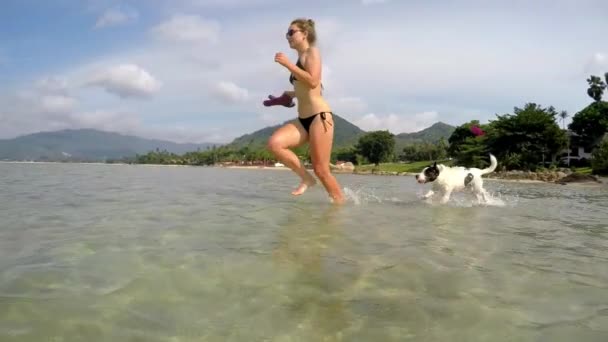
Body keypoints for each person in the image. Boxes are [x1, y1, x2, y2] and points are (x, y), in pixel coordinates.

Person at [266, 18, 345, 204]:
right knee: (275, 144)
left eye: (291, 32)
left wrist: (287, 65)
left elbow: (313, 81)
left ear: (305, 34)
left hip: (320, 117)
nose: (288, 36)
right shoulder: (299, 58)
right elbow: (306, 89)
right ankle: (306, 179)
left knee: (322, 170)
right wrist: (287, 96)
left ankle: (339, 207)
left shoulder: (312, 52)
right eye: (287, 33)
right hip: (303, 119)